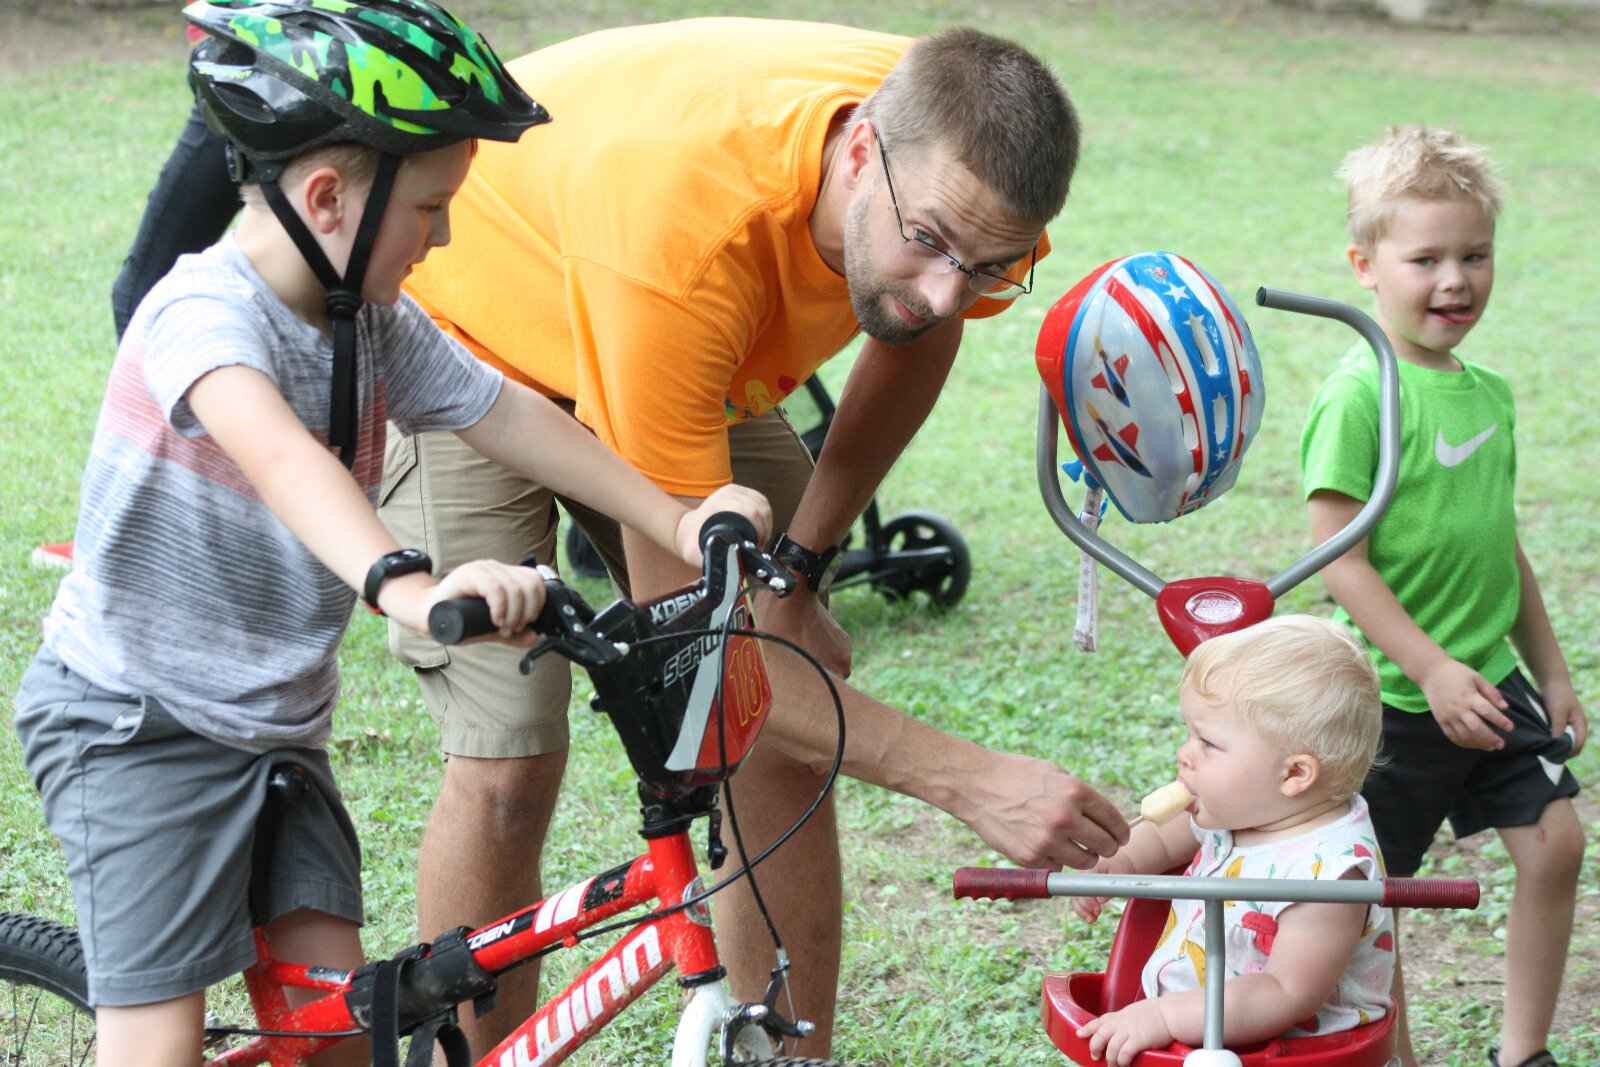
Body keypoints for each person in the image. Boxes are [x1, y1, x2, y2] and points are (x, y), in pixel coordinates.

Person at [10, 3, 769, 1064]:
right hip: (139, 726)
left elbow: (503, 410)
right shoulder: (202, 315)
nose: (444, 234)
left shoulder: (370, 321)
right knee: (158, 1042)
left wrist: (677, 517)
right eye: (431, 206)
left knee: (336, 1031)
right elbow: (282, 456)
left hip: (276, 729)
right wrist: (404, 584)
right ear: (328, 200)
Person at [378, 17, 1129, 1056]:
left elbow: (920, 331)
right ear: (860, 149)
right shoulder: (681, 248)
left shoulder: (962, 166)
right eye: (929, 246)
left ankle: (788, 1053)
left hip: (667, 343)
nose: (948, 288)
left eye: (990, 266)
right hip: (473, 345)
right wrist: (965, 776)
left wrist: (804, 568)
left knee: (775, 729)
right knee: (515, 750)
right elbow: (697, 661)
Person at [1301, 124, 1586, 1067]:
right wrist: (1428, 666)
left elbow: (1498, 541)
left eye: (1475, 255)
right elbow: (1337, 556)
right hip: (1395, 698)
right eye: (1425, 258)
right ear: (1365, 265)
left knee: (1555, 847)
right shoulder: (1359, 395)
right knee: (1371, 897)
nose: (1454, 280)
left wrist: (1549, 670)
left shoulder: (1490, 392)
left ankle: (1523, 1051)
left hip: (1494, 683)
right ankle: (1398, 1055)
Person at [1071, 615, 1396, 1067]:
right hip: (1203, 1036)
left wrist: (1164, 1015)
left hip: (1296, 1053)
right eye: (1190, 734)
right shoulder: (1245, 809)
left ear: (1294, 774)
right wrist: (1113, 867)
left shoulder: (1331, 874)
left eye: (1207, 742)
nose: (1184, 754)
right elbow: (1166, 841)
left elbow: (1285, 993)